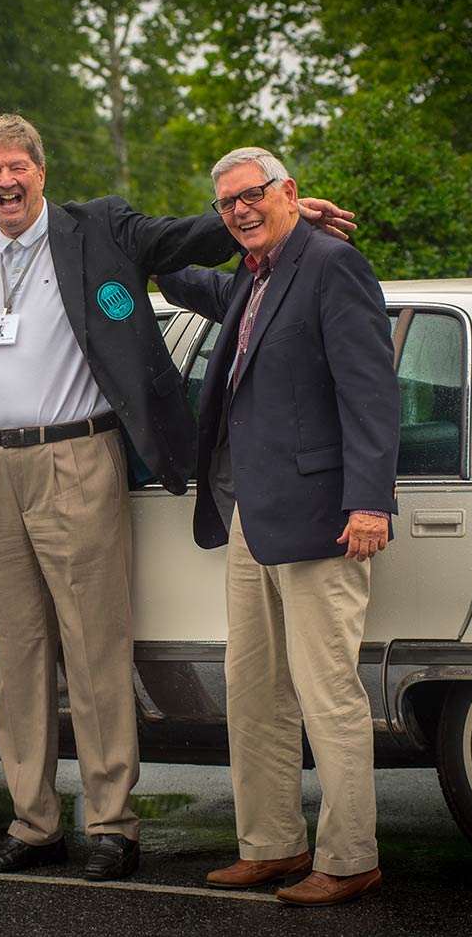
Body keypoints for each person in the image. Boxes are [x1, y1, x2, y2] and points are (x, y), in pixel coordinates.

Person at [0, 114, 356, 882]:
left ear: (40, 170)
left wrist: (268, 213)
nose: (5, 181)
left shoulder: (98, 227)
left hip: (79, 457)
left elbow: (182, 240)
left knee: (96, 651)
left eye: (16, 167)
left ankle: (112, 824)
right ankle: (33, 824)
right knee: (19, 657)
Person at [156, 147, 399, 906]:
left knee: (326, 692)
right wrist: (233, 234)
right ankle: (271, 845)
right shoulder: (246, 279)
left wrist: (370, 502)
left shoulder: (331, 267)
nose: (239, 211)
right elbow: (164, 270)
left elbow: (371, 392)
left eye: (252, 197)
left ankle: (351, 856)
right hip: (250, 520)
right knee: (252, 689)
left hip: (324, 519)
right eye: (228, 204)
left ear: (291, 192)